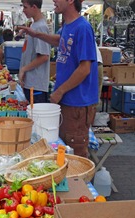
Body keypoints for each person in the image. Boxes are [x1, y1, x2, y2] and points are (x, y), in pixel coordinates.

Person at [19, 0, 98, 158]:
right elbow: (58, 41)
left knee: (75, 154)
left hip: (77, 103)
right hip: (66, 101)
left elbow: (85, 68)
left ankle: (80, 182)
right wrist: (37, 34)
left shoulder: (82, 28)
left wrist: (60, 91)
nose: (53, 0)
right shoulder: (68, 27)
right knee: (63, 150)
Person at [19, 0, 51, 104]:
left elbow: (44, 56)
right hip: (31, 83)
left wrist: (24, 69)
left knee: (37, 118)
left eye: (25, 7)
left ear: (34, 7)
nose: (23, 10)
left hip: (36, 85)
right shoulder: (34, 25)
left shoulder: (40, 27)